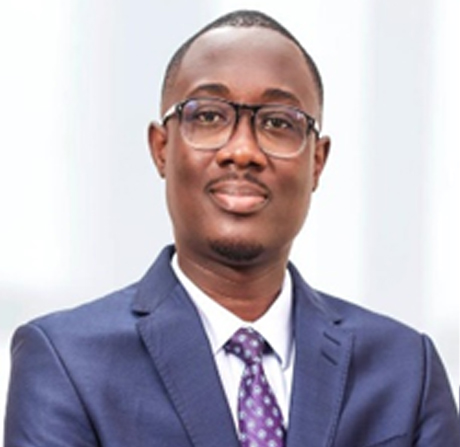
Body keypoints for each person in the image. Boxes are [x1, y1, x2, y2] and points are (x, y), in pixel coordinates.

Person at [4, 9, 459, 447]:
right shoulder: (67, 362)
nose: (242, 151)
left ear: (317, 162)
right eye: (208, 116)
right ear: (161, 148)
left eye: (278, 123)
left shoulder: (406, 372)